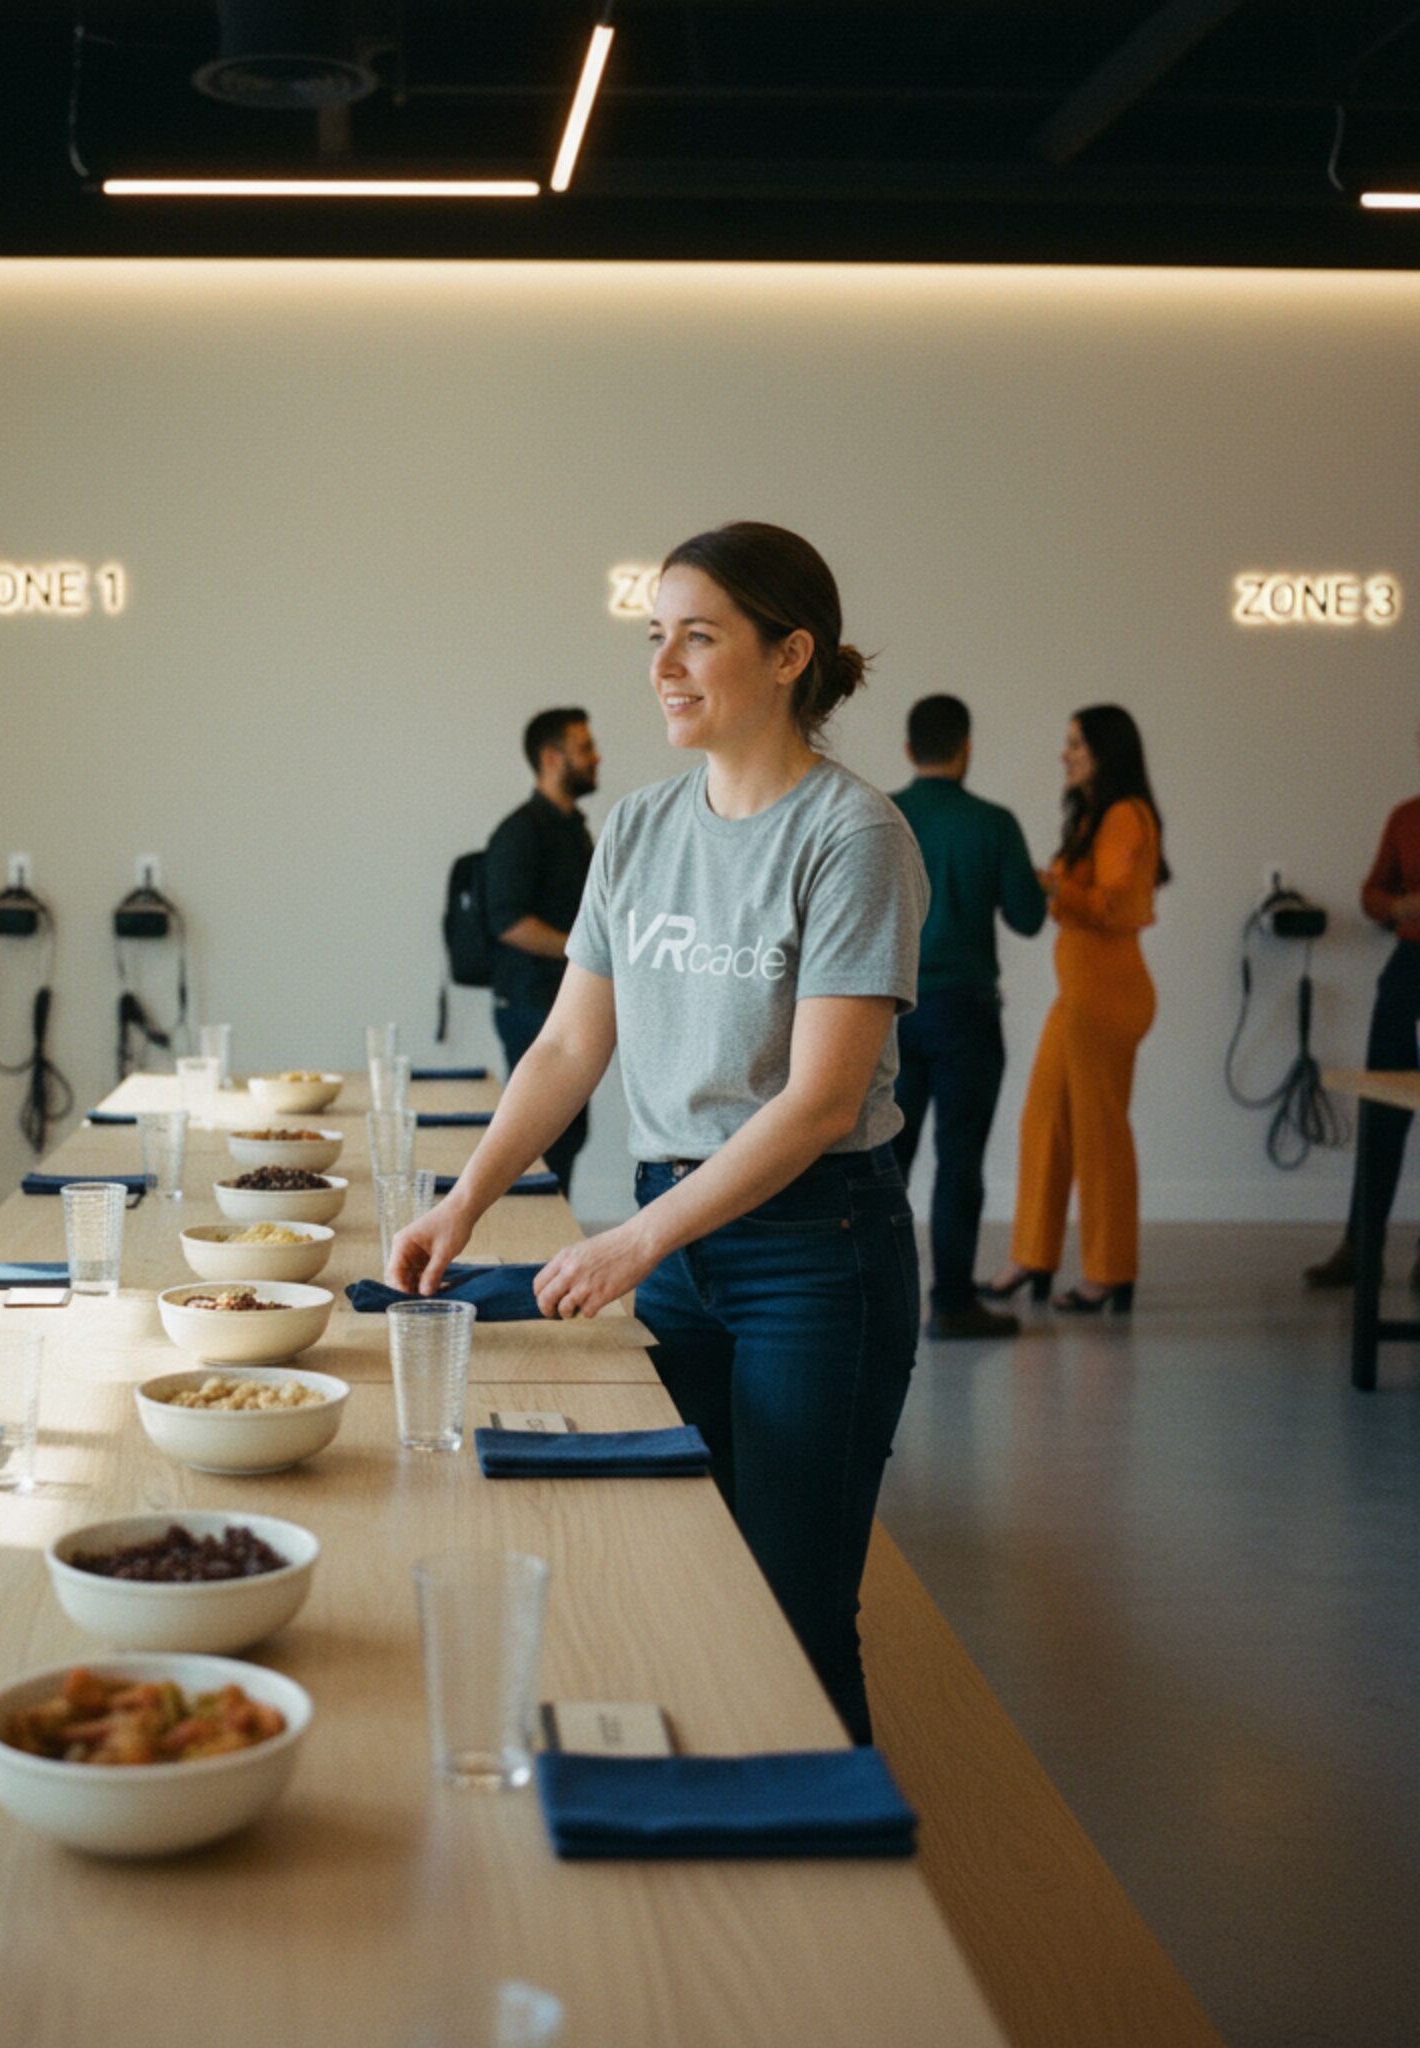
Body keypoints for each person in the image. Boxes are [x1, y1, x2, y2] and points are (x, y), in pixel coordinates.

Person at [392, 521, 928, 1747]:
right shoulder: (635, 829)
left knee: (793, 1609)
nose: (663, 667)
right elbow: (565, 1049)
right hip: (679, 1242)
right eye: (654, 637)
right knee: (681, 1566)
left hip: (814, 1255)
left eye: (698, 636)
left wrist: (632, 1242)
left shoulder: (853, 836)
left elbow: (819, 1101)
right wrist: (462, 1199)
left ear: (789, 653)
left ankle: (824, 1851)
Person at [982, 705, 1168, 1314]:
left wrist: (1053, 885)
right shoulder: (1094, 815)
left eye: (1077, 745)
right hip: (1079, 996)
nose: (1065, 755)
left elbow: (1119, 906)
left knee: (1098, 1133)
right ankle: (1032, 1257)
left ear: (1105, 753)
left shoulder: (1124, 815)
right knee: (1044, 1120)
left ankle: (1109, 1272)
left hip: (1106, 995)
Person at [891, 694, 1047, 1340]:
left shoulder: (884, 814)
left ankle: (879, 1297)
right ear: (966, 747)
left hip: (888, 1011)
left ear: (909, 749)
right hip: (967, 1013)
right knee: (960, 1161)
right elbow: (1029, 918)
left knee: (884, 1162)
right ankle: (952, 1303)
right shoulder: (993, 823)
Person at [1304, 742, 1420, 1289]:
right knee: (1383, 1109)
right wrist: (1395, 906)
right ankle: (1361, 1245)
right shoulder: (1406, 817)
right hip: (1409, 974)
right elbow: (1373, 892)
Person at [484, 707, 601, 1194]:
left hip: (563, 1003)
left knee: (567, 1135)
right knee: (540, 1139)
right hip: (530, 1004)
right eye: (584, 748)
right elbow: (508, 923)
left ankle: (555, 1234)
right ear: (552, 758)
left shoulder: (574, 828)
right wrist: (588, 952)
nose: (596, 757)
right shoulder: (520, 832)